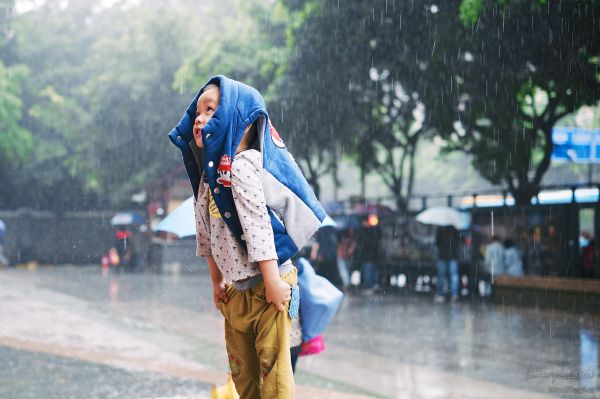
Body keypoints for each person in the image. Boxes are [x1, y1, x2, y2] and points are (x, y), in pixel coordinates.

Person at [170, 76, 325, 398]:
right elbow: (206, 234)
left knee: (274, 378)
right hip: (237, 291)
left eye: (211, 110)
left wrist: (272, 283)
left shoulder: (240, 167)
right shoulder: (206, 179)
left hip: (267, 287)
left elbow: (258, 227)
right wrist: (216, 282)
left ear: (239, 120)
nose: (199, 119)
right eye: (197, 111)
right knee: (244, 377)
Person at [353, 220, 381, 294]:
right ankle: (373, 284)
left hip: (367, 256)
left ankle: (369, 286)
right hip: (372, 255)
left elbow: (362, 244)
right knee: (372, 270)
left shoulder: (365, 232)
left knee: (368, 271)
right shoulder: (373, 231)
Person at [434, 225, 460, 303]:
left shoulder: (440, 228)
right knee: (454, 275)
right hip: (453, 255)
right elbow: (458, 241)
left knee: (441, 275)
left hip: (443, 255)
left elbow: (437, 242)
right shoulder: (455, 228)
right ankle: (454, 294)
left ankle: (440, 294)